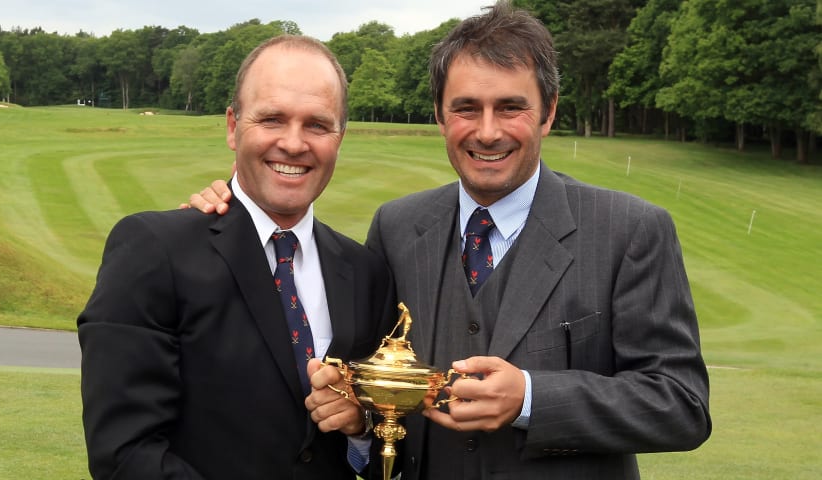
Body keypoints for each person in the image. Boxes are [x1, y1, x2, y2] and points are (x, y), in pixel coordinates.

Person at [188, 2, 712, 478]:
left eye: (511, 107)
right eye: (466, 108)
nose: (487, 132)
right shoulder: (396, 227)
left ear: (548, 113)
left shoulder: (629, 230)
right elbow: (367, 390)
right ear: (440, 114)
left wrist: (532, 398)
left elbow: (682, 405)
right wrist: (236, 217)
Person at [78, 35, 397, 480]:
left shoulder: (365, 272)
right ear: (232, 126)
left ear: (339, 138)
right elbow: (124, 453)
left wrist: (360, 426)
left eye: (317, 125)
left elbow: (387, 443)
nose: (293, 143)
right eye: (271, 119)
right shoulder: (153, 249)